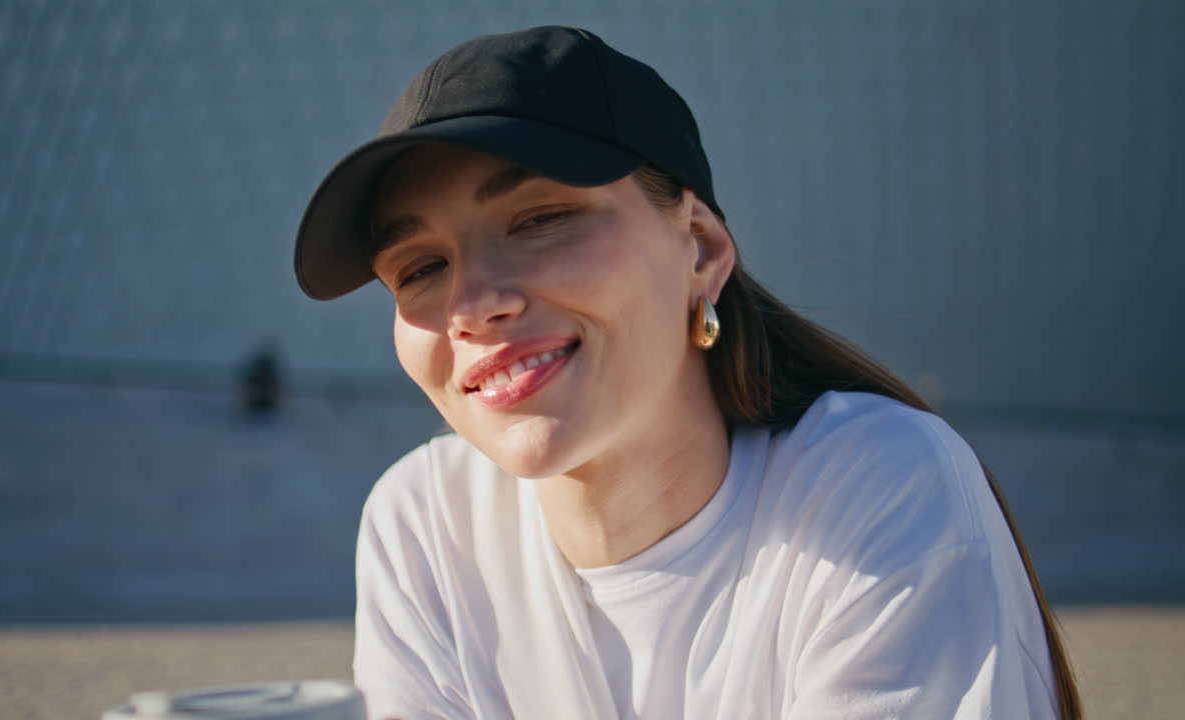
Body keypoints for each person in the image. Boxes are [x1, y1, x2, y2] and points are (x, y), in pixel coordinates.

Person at [293, 25, 1082, 720]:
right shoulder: (426, 524)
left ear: (699, 250)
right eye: (420, 267)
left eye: (539, 220)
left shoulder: (879, 484)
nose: (472, 305)